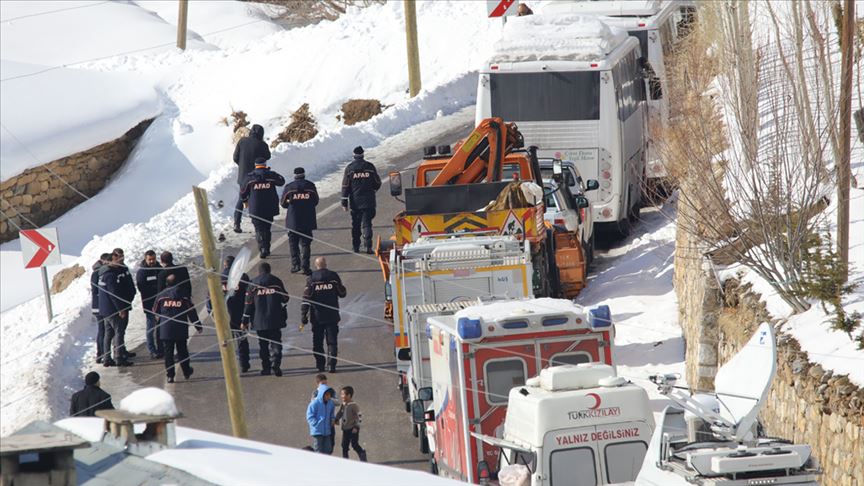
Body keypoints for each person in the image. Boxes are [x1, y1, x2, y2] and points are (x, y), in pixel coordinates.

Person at [153, 274, 202, 383]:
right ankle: (186, 371)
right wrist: (198, 325)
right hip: (180, 328)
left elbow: (155, 311)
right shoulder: (184, 295)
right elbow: (191, 311)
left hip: (166, 329)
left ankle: (170, 375)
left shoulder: (161, 296)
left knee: (168, 353)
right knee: (182, 351)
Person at [301, 257, 347, 373]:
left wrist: (303, 315)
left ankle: (320, 365)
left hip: (317, 317)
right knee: (332, 341)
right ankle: (332, 365)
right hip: (332, 315)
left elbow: (306, 299)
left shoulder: (311, 279)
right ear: (325, 264)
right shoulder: (333, 276)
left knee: (317, 342)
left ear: (316, 265)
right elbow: (342, 293)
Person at [242, 262, 288, 376]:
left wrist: (244, 321)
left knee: (263, 345)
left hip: (259, 320)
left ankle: (266, 368)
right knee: (276, 342)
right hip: (275, 318)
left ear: (259, 271)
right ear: (269, 270)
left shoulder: (253, 284)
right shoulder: (276, 281)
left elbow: (248, 304)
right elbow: (285, 298)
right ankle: (276, 363)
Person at [207, 255, 251, 372]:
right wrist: (249, 313)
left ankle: (230, 366)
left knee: (227, 343)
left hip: (223, 316)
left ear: (225, 265)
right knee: (242, 340)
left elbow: (209, 297)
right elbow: (250, 295)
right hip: (240, 315)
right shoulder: (243, 277)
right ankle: (244, 364)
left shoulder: (218, 279)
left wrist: (211, 313)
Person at [98, 248, 136, 367]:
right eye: (116, 260)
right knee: (119, 332)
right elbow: (114, 294)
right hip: (113, 310)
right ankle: (119, 357)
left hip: (106, 310)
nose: (119, 262)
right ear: (110, 262)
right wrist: (121, 309)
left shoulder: (105, 273)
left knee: (109, 333)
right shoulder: (110, 275)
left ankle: (107, 357)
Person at [240, 158, 285, 258]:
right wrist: (271, 173)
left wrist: (244, 201)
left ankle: (262, 248)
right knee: (267, 228)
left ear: (255, 165)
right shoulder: (271, 175)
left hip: (256, 208)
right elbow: (281, 181)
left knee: (259, 229)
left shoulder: (250, 177)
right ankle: (267, 248)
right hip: (269, 207)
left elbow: (243, 192)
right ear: (265, 164)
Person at [341, 146, 381, 254]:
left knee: (356, 225)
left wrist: (344, 202)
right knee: (367, 224)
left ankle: (356, 246)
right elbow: (377, 183)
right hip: (368, 202)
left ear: (354, 155)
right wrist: (373, 189)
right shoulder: (370, 167)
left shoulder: (349, 169)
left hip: (355, 202)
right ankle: (368, 246)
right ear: (363, 154)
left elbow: (345, 186)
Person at [233, 124, 271, 233]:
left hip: (243, 176)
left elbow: (235, 157)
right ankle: (257, 223)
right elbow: (267, 156)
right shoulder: (262, 145)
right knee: (256, 198)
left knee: (242, 198)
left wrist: (242, 166)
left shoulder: (242, 141)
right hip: (256, 176)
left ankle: (237, 222)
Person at [281, 166, 319, 274]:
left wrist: (290, 201)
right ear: (304, 174)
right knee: (306, 244)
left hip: (293, 221)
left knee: (293, 244)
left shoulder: (289, 187)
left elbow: (283, 203)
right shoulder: (310, 186)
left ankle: (295, 265)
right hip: (307, 220)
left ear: (294, 176)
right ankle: (305, 267)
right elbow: (316, 200)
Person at [136, 250, 163, 359]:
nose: (152, 261)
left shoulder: (159, 269)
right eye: (149, 259)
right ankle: (152, 350)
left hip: (161, 303)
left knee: (161, 328)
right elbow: (142, 288)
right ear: (145, 259)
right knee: (151, 327)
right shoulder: (142, 272)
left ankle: (161, 349)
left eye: (153, 259)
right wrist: (156, 289)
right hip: (149, 304)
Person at [335, 386, 367, 461]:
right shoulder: (343, 404)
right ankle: (346, 461)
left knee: (354, 444)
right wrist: (336, 418)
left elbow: (359, 416)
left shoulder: (353, 405)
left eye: (343, 394)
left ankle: (362, 454)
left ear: (349, 395)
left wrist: (356, 427)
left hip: (353, 429)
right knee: (344, 446)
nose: (341, 396)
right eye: (341, 394)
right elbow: (340, 412)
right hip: (345, 428)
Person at [91, 252, 111, 364]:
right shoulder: (97, 273)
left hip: (102, 305)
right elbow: (96, 291)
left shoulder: (101, 272)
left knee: (104, 329)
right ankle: (100, 353)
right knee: (102, 330)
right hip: (99, 306)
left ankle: (103, 353)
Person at [306, 384, 336, 454]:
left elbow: (332, 413)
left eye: (329, 395)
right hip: (317, 431)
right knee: (319, 450)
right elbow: (309, 416)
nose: (329, 397)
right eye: (327, 395)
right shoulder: (314, 403)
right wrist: (316, 424)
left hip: (327, 431)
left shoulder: (330, 403)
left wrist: (332, 419)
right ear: (322, 394)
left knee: (328, 449)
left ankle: (326, 464)